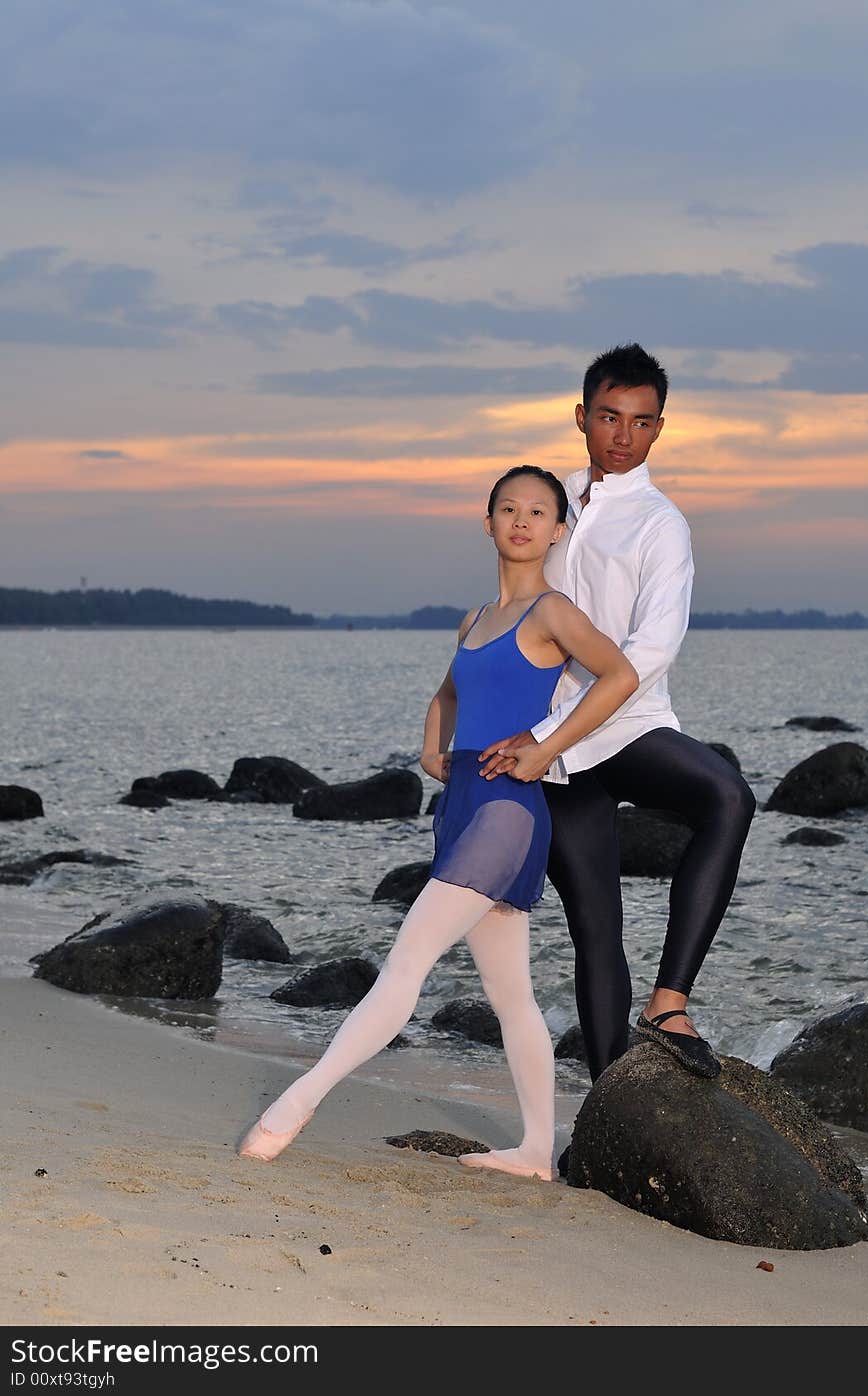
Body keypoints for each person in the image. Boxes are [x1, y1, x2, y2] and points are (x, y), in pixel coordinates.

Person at [238, 464, 638, 1180]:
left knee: (406, 961)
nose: (522, 521)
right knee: (511, 993)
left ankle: (300, 1100)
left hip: (510, 811)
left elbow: (620, 677)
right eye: (508, 509)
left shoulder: (552, 612)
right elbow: (449, 692)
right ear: (487, 523)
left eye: (539, 512)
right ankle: (539, 1151)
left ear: (557, 529)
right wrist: (433, 749)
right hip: (463, 805)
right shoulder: (474, 621)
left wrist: (544, 749)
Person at [480, 345, 757, 1124]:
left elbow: (650, 653)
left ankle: (670, 1003)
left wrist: (557, 735)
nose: (623, 436)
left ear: (659, 429)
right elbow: (511, 598)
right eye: (608, 417)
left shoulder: (662, 526)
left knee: (728, 797)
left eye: (640, 422)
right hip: (548, 746)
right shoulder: (552, 500)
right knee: (596, 931)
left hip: (626, 727)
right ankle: (607, 1121)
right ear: (583, 418)